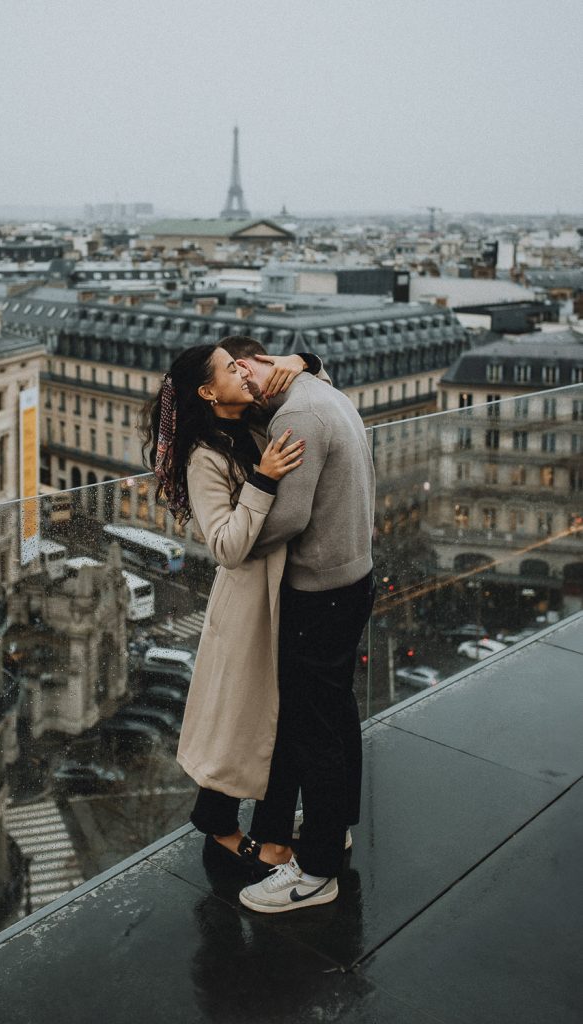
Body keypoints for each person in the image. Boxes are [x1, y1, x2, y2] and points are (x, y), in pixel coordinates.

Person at [142, 343, 317, 874]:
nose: (243, 369)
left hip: (281, 592)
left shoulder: (254, 420)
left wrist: (305, 362)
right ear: (207, 392)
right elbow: (224, 546)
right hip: (246, 605)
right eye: (229, 367)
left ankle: (231, 821)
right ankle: (228, 827)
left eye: (241, 362)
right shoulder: (205, 457)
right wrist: (262, 481)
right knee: (248, 720)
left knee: (258, 719)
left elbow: (315, 380)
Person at [222, 336, 376, 913]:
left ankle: (315, 875)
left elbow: (288, 516)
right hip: (353, 578)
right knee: (335, 712)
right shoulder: (319, 389)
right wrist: (304, 360)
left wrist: (237, 537)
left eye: (237, 381)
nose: (239, 398)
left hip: (320, 592)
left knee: (312, 727)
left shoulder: (298, 415)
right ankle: (334, 828)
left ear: (247, 364)